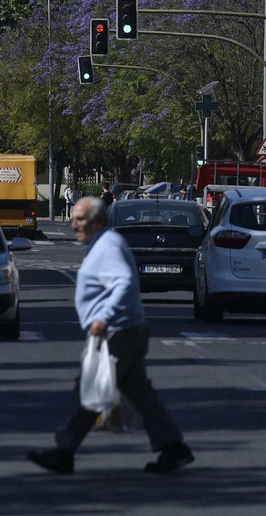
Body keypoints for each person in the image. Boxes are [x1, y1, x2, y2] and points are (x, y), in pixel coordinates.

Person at [28, 196, 192, 476]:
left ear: (99, 221)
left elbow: (125, 282)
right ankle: (173, 446)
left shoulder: (108, 245)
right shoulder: (101, 245)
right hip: (125, 328)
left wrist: (104, 316)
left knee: (89, 391)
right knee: (139, 392)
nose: (73, 225)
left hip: (118, 331)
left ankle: (64, 451)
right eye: (74, 219)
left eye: (80, 219)